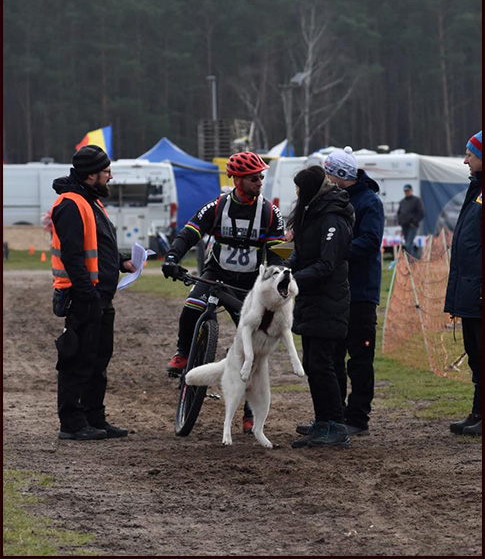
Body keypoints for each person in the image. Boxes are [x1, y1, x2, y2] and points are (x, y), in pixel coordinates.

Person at [162, 151, 285, 433]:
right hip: (216, 274)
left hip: (249, 284)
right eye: (254, 178)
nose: (260, 182)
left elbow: (278, 253)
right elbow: (189, 233)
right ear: (238, 180)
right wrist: (172, 258)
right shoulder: (216, 207)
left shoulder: (270, 212)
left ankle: (249, 411)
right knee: (192, 306)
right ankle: (183, 353)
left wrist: (280, 278)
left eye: (261, 177)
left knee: (253, 345)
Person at [50, 145, 136, 441]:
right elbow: (73, 257)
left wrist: (122, 261)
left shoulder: (90, 201)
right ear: (90, 176)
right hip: (84, 296)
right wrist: (87, 296)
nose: (110, 177)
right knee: (77, 359)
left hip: (100, 295)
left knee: (98, 359)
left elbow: (98, 246)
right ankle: (72, 424)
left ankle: (94, 417)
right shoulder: (71, 205)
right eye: (106, 172)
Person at [289, 165, 355, 449]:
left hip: (329, 299)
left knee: (322, 363)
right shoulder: (313, 212)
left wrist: (292, 280)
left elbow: (327, 264)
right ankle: (323, 421)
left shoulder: (332, 217)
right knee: (312, 364)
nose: (296, 193)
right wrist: (283, 270)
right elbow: (303, 255)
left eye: (298, 188)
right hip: (312, 299)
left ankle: (336, 426)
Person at [323, 146, 384, 436]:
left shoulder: (369, 202)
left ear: (339, 175)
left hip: (360, 293)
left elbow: (370, 241)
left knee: (359, 358)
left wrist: (336, 250)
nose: (326, 179)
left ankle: (358, 418)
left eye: (329, 174)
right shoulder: (332, 199)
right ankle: (333, 416)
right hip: (335, 291)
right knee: (332, 356)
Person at [445, 130, 482, 438]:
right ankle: (478, 412)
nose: (465, 160)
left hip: (478, 289)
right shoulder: (476, 190)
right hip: (470, 289)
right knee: (476, 354)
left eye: (470, 155)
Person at [397, 184, 424, 258]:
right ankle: (414, 259)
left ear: (411, 191)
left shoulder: (416, 200)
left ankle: (413, 261)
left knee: (409, 244)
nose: (407, 192)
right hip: (404, 226)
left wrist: (414, 222)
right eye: (405, 191)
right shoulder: (402, 202)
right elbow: (399, 213)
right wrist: (400, 222)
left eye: (408, 191)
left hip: (412, 226)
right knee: (408, 245)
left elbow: (421, 213)